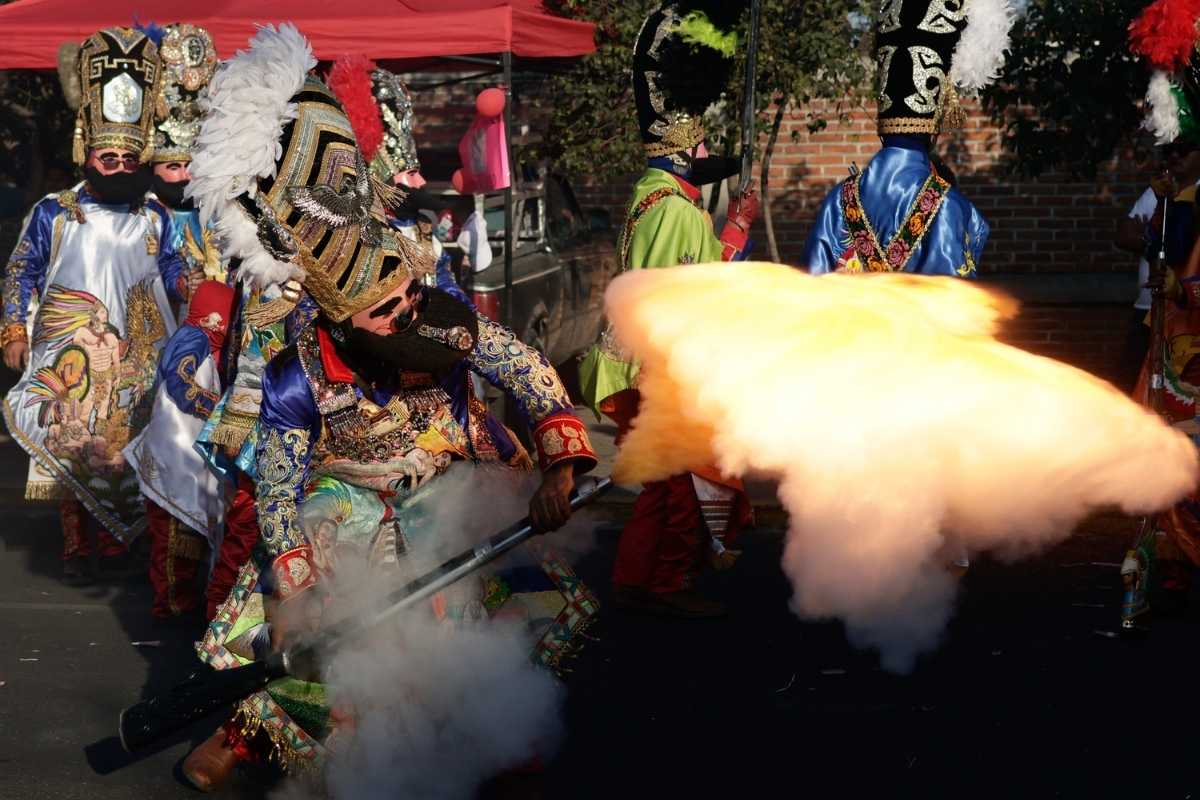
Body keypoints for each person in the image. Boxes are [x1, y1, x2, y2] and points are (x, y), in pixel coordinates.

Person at [176, 25, 597, 789]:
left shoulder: (442, 319)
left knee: (514, 612)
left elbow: (527, 369)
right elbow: (278, 489)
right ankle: (245, 734)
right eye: (386, 313)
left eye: (407, 299)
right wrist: (296, 586)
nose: (405, 315)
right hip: (344, 504)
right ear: (344, 325)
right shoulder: (297, 375)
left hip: (450, 490)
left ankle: (485, 728)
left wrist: (561, 466)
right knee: (322, 627)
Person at [578, 1, 759, 619]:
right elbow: (698, 292)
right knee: (686, 482)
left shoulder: (649, 195)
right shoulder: (677, 209)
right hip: (658, 372)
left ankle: (635, 578)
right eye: (702, 140)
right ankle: (666, 583)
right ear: (684, 149)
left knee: (660, 483)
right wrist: (737, 230)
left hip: (630, 364)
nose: (709, 147)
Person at [1, 27, 188, 583]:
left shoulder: (155, 216)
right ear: (87, 151)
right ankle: (78, 549)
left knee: (128, 448)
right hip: (71, 355)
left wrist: (193, 291)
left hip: (139, 356)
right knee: (72, 443)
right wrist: (13, 330)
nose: (120, 167)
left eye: (131, 158)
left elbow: (175, 271)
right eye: (109, 157)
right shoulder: (53, 212)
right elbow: (21, 270)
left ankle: (122, 550)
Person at [800, 0, 999, 278]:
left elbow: (811, 286)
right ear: (936, 124)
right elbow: (955, 297)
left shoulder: (839, 201)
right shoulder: (946, 206)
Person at [124, 281, 234, 619]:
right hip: (175, 453)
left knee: (184, 532)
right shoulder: (193, 338)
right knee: (172, 536)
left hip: (183, 451)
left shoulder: (202, 340)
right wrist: (217, 407)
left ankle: (181, 597)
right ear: (215, 316)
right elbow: (179, 378)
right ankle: (170, 603)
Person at [1115, 141, 1200, 393]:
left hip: (1188, 315)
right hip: (1154, 310)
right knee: (1132, 386)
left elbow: (1178, 246)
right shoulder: (1163, 191)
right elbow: (1125, 235)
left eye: (1183, 151)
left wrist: (1152, 233)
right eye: (1169, 151)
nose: (1174, 156)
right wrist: (1163, 210)